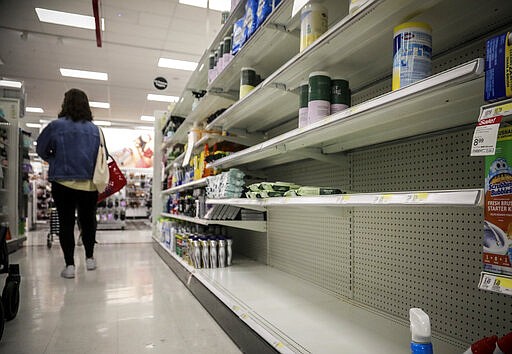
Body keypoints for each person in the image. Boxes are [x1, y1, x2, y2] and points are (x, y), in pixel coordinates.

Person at [36, 88, 101, 279]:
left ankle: (70, 266)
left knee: (66, 222)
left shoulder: (56, 126)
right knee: (88, 220)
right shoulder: (94, 129)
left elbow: (41, 149)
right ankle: (89, 258)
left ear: (65, 103)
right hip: (89, 183)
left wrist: (53, 158)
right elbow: (99, 156)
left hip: (62, 182)